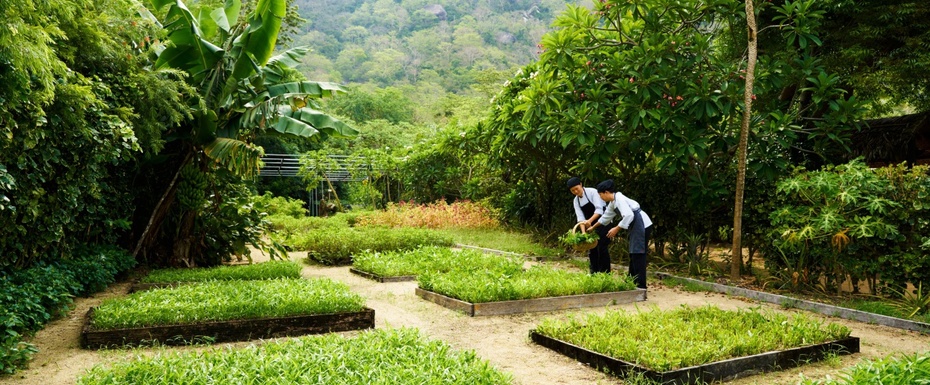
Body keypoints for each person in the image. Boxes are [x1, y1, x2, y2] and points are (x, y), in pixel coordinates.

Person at [588, 179, 653, 290]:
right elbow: (605, 217)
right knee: (633, 253)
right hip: (636, 226)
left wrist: (617, 228)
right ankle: (631, 281)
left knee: (638, 254)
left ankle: (641, 285)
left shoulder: (620, 199)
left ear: (606, 192)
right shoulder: (613, 203)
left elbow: (629, 215)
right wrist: (592, 227)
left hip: (642, 224)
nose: (600, 198)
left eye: (600, 195)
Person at [566, 177, 613, 274]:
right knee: (592, 248)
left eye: (576, 188)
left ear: (581, 184)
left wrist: (589, 221)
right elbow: (581, 218)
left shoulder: (592, 192)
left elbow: (599, 210)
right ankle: (594, 273)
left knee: (602, 247)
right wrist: (584, 233)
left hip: (604, 222)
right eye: (572, 190)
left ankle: (605, 273)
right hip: (590, 226)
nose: (575, 191)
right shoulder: (576, 201)